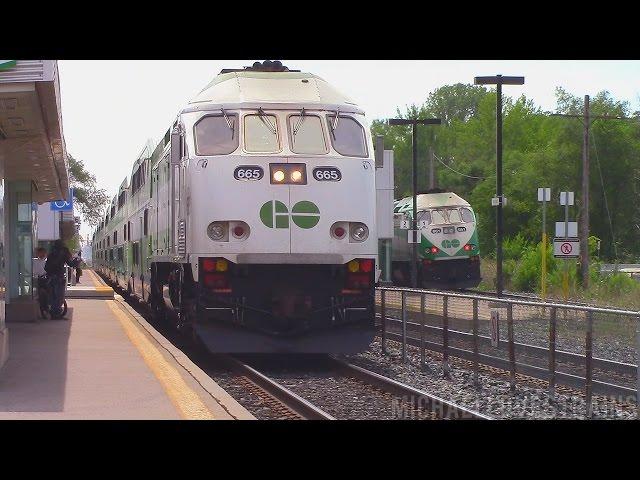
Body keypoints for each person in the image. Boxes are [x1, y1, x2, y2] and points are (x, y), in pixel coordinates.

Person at [45, 240, 72, 319]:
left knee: (53, 296)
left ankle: (53, 313)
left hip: (50, 277)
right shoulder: (63, 253)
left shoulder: (51, 253)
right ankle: (56, 314)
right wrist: (77, 262)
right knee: (59, 296)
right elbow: (70, 263)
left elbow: (46, 267)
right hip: (58, 277)